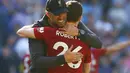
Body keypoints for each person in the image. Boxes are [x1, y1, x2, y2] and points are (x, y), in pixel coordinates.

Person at [26, 0, 102, 73]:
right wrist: (64, 58)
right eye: (57, 14)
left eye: (63, 12)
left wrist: (79, 33)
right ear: (48, 14)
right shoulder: (42, 28)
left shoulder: (76, 26)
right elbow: (37, 61)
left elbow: (98, 43)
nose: (61, 17)